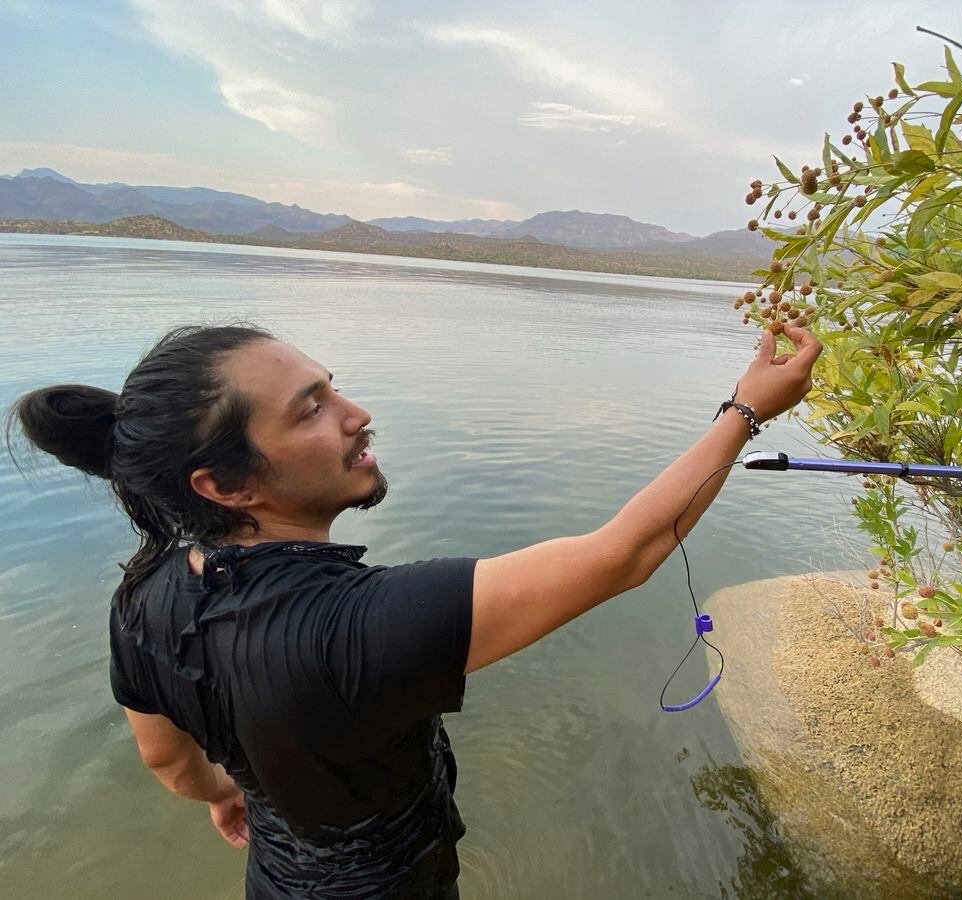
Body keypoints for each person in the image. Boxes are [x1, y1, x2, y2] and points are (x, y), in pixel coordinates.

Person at [9, 322, 820, 899]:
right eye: (310, 408)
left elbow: (170, 763)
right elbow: (626, 554)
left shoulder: (142, 594)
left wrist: (235, 789)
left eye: (332, 387)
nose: (356, 414)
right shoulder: (362, 625)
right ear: (224, 487)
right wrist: (745, 412)